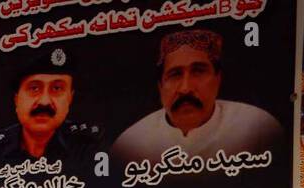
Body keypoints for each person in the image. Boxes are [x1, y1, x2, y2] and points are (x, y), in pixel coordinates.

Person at [111, 28, 282, 165]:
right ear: (160, 86)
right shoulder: (130, 144)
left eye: (198, 71)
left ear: (218, 79)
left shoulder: (257, 128)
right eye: (175, 74)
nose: (185, 88)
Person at [0, 48, 101, 169]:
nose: (44, 101)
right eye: (34, 88)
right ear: (17, 99)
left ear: (70, 98)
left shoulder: (90, 147)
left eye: (57, 88)